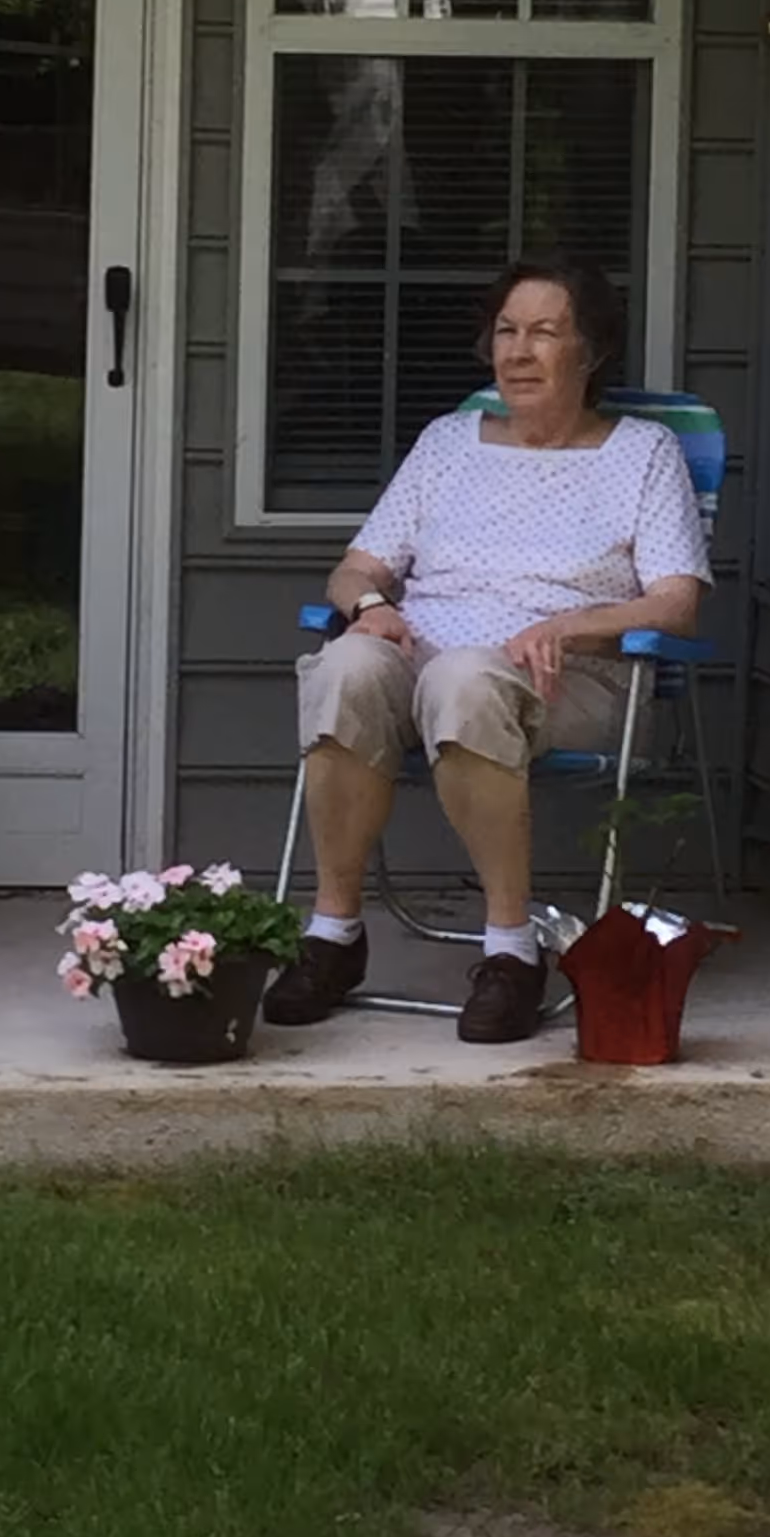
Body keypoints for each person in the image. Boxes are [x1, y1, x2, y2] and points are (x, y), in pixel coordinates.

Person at [264, 252, 710, 1046]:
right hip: (424, 665)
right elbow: (356, 567)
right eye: (507, 331)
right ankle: (333, 935)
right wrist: (369, 607)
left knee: (465, 680)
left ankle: (510, 952)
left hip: (571, 677)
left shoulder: (644, 453)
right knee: (345, 667)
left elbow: (677, 603)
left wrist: (564, 626)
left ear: (592, 350)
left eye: (544, 332)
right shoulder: (448, 442)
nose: (518, 351)